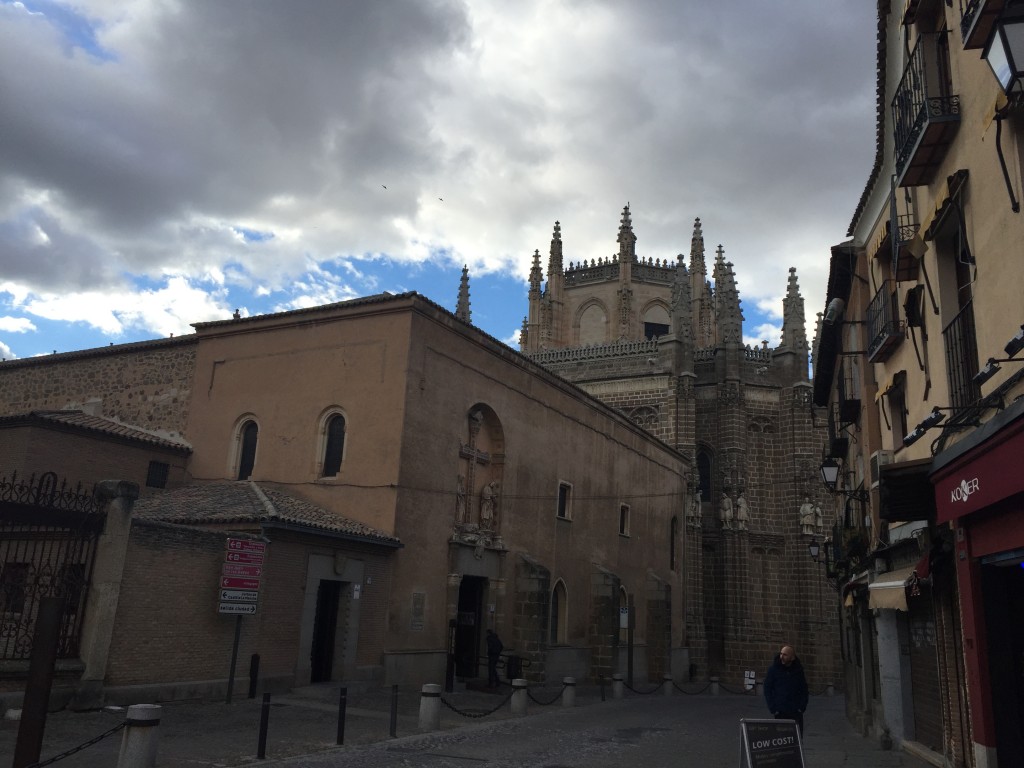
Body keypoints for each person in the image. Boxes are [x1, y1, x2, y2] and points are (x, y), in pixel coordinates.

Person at [764, 644, 809, 734]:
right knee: (781, 738)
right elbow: (767, 689)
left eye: (785, 655)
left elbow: (804, 689)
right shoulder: (773, 670)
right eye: (781, 654)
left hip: (795, 711)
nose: (781, 657)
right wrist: (773, 708)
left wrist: (801, 707)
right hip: (780, 711)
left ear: (792, 658)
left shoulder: (798, 671)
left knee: (796, 738)